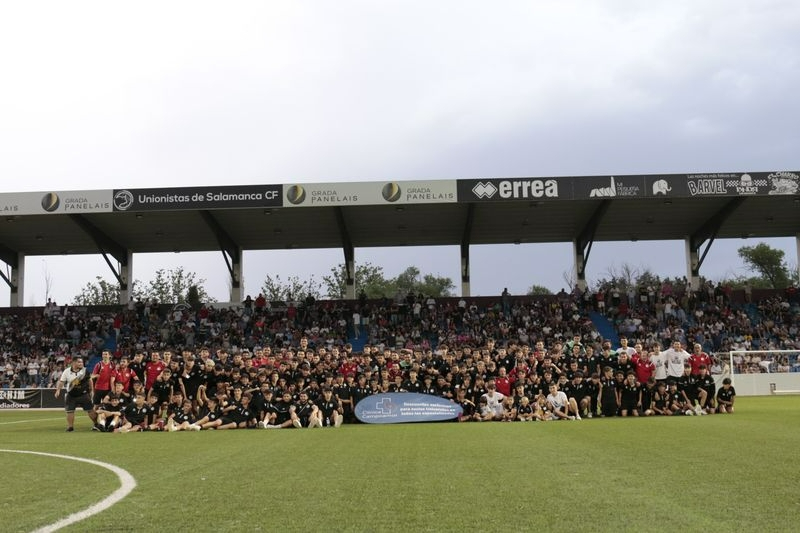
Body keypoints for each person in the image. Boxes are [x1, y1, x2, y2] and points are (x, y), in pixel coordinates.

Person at [54, 357, 98, 432]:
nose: (81, 364)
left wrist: (91, 390)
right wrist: (58, 390)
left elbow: (90, 380)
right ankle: (70, 427)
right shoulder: (66, 371)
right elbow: (62, 382)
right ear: (74, 363)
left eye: (82, 362)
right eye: (79, 362)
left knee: (90, 410)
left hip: (83, 394)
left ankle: (96, 424)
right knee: (70, 411)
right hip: (71, 395)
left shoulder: (85, 371)